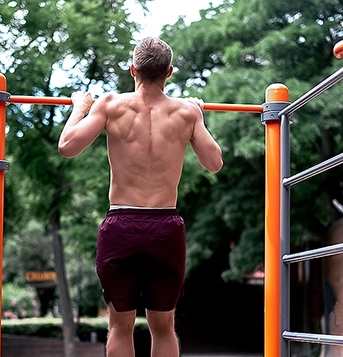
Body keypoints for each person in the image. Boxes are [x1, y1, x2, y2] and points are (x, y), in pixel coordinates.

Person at [58, 37, 223, 357]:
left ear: (133, 69)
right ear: (170, 72)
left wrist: (80, 108)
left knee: (120, 326)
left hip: (122, 224)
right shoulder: (186, 112)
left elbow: (67, 147)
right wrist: (198, 116)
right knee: (163, 327)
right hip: (165, 228)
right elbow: (214, 163)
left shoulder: (109, 105)